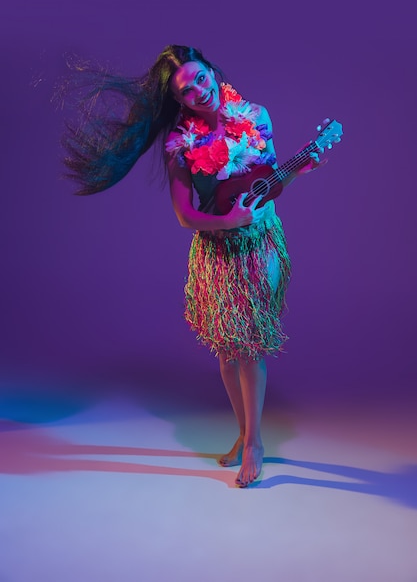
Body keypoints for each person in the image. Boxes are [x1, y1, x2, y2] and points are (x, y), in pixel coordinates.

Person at [61, 44, 322, 487]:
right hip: (216, 250)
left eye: (201, 78)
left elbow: (269, 181)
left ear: (212, 71)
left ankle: (256, 442)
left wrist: (297, 171)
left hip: (260, 246)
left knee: (252, 344)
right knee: (226, 349)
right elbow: (185, 216)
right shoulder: (181, 144)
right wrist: (228, 219)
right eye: (186, 91)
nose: (200, 91)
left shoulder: (256, 116)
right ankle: (242, 433)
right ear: (178, 101)